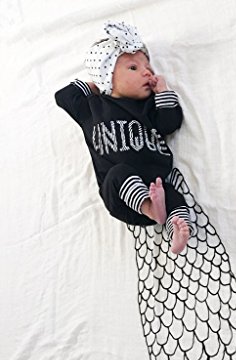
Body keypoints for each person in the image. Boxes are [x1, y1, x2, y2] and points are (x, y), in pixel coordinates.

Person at [55, 21, 191, 254]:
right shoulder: (92, 107)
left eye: (148, 67)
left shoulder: (148, 106)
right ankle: (149, 207)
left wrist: (163, 92)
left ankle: (176, 229)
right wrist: (95, 84)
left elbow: (170, 124)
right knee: (119, 173)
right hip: (120, 195)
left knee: (172, 195)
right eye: (133, 68)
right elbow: (64, 96)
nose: (147, 72)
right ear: (108, 77)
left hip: (155, 183)